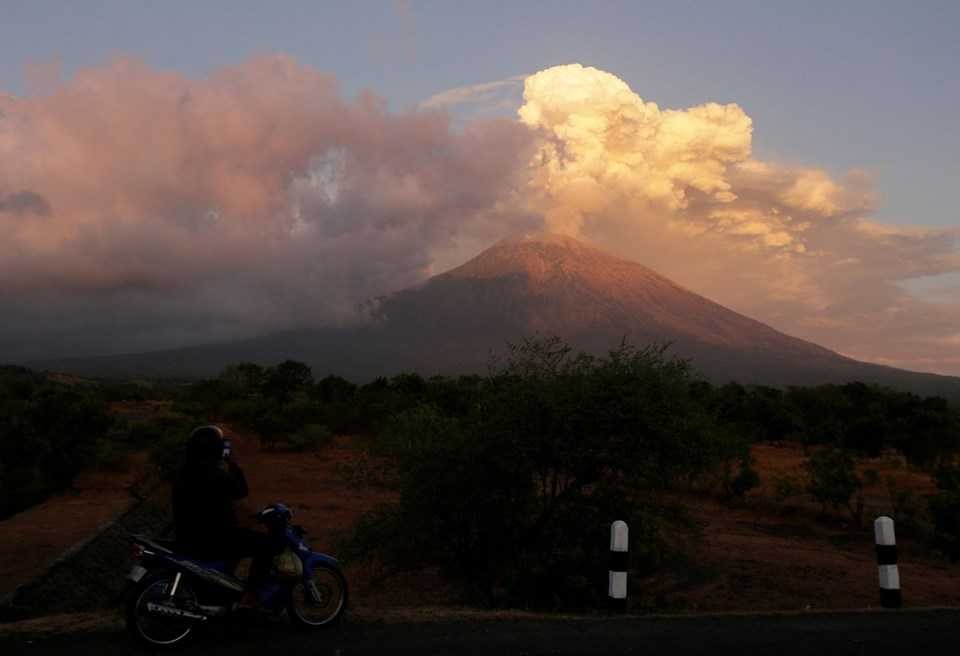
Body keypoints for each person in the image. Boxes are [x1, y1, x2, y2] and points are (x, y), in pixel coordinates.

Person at [172, 425, 281, 608]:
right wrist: (234, 464)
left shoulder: (184, 472)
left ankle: (224, 586)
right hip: (212, 541)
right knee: (266, 545)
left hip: (188, 538)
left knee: (241, 535)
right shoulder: (215, 474)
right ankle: (251, 595)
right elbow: (241, 491)